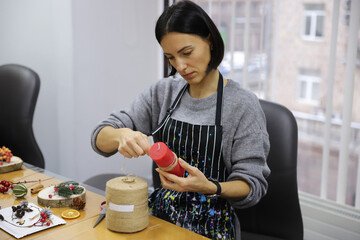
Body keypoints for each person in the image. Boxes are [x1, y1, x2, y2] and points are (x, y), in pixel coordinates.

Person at [91, 1, 270, 239]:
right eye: (171, 58)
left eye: (186, 53)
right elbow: (99, 138)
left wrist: (211, 187)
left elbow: (252, 186)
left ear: (210, 40)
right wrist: (120, 135)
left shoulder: (243, 105)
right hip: (159, 218)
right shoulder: (162, 93)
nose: (180, 66)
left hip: (213, 227)